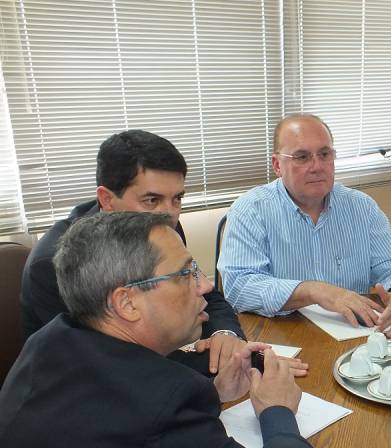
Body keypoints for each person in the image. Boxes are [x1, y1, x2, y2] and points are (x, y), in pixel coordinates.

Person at [0, 212, 342, 448]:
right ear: (127, 302)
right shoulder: (156, 405)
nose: (206, 285)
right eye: (186, 274)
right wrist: (278, 411)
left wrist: (216, 392)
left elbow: (125, 444)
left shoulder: (49, 341)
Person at [21, 129, 245, 375]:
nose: (170, 214)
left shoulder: (157, 227)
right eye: (152, 200)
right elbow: (108, 363)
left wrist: (226, 335)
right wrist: (228, 363)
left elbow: (201, 291)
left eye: (177, 198)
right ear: (106, 199)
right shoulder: (53, 263)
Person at [218, 113, 391, 337]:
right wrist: (313, 291)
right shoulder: (250, 210)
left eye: (324, 154)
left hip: (355, 337)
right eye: (302, 157)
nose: (317, 166)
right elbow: (239, 287)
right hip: (282, 339)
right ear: (277, 165)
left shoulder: (361, 207)